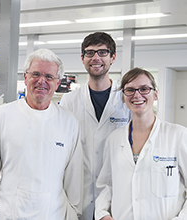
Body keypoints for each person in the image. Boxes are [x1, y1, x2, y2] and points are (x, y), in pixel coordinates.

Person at [0, 48, 83, 220]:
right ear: (25, 77)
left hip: (53, 214)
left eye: (49, 77)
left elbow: (74, 178)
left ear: (58, 81)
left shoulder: (69, 122)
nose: (41, 81)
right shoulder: (3, 115)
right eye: (35, 74)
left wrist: (73, 213)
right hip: (10, 213)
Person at [95, 67, 187, 220]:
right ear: (123, 98)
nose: (137, 95)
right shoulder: (114, 139)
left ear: (155, 94)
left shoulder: (178, 135)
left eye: (144, 89)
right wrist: (103, 214)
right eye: (130, 90)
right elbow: (105, 185)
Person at [60, 32, 131, 220]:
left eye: (102, 52)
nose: (96, 58)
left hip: (117, 198)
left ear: (113, 57)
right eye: (90, 53)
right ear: (82, 58)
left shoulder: (127, 100)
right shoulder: (69, 101)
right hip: (78, 195)